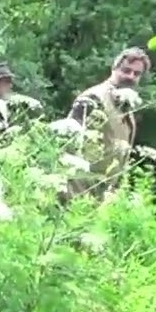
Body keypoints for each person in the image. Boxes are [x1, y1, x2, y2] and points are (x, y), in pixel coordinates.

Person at [60, 46, 150, 200]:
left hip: (103, 193)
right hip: (79, 189)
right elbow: (67, 139)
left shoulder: (127, 107)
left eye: (136, 74)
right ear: (114, 68)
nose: (130, 76)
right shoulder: (94, 97)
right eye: (126, 70)